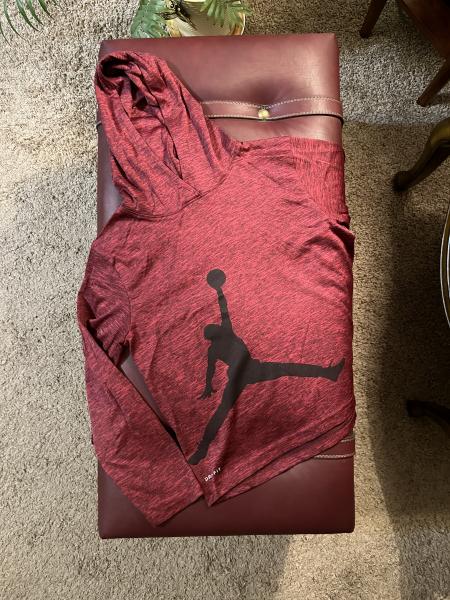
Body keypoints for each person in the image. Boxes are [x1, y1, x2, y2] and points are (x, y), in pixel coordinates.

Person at [188, 269, 345, 465]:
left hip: (247, 372)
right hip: (247, 372)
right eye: (215, 328)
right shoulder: (225, 336)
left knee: (223, 410)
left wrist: (208, 386)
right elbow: (223, 310)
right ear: (215, 333)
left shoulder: (217, 344)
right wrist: (219, 290)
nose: (217, 326)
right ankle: (202, 449)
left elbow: (211, 368)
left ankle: (202, 449)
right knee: (287, 369)